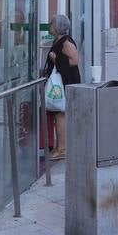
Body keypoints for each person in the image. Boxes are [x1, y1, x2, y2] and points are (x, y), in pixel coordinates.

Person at [41, 13, 80, 160]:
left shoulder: (66, 42)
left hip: (65, 82)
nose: (50, 25)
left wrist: (56, 60)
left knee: (61, 115)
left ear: (58, 27)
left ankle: (62, 148)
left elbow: (74, 61)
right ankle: (59, 146)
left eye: (52, 23)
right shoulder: (58, 41)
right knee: (58, 115)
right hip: (61, 81)